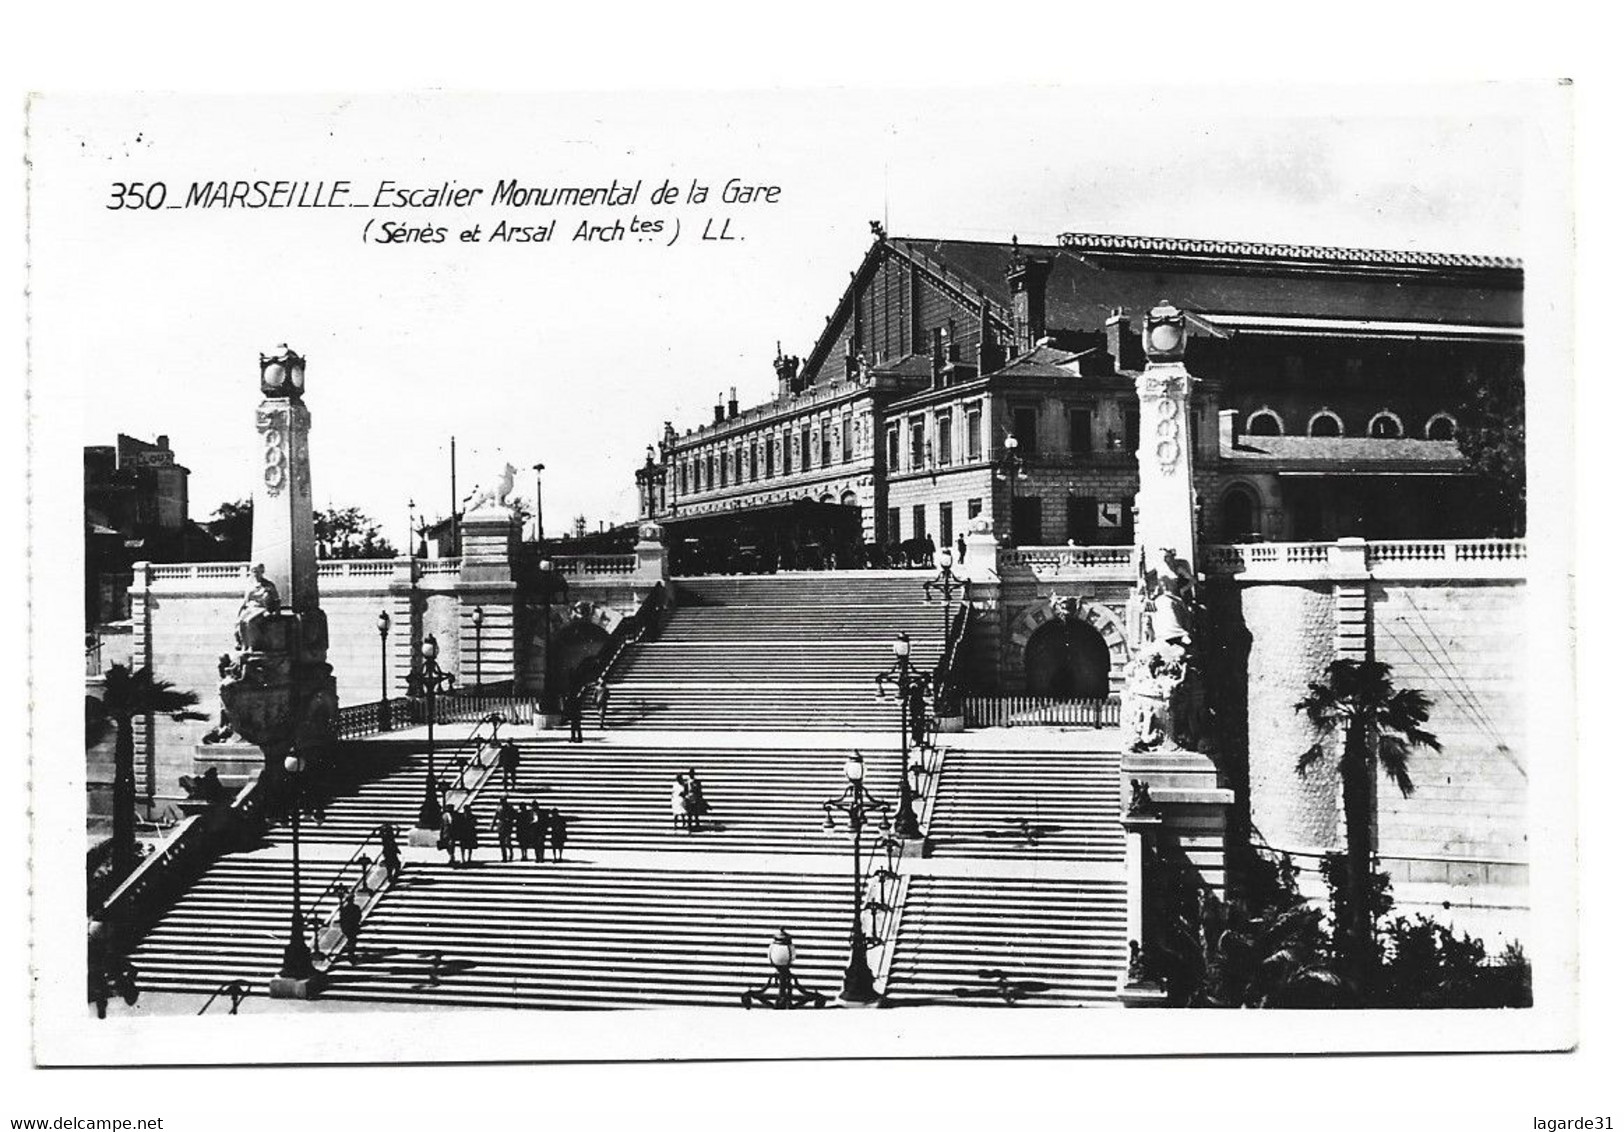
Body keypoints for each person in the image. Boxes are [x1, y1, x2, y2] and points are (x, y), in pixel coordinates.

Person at [338, 892, 362, 965]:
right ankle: (351, 954)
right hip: (353, 926)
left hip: (347, 927)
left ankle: (350, 953)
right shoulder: (355, 907)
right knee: (353, 940)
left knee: (350, 940)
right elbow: (359, 916)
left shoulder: (344, 908)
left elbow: (341, 918)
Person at [684, 769, 710, 833]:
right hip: (689, 799)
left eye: (692, 773)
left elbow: (699, 791)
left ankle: (697, 825)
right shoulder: (686, 782)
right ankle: (690, 826)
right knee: (689, 814)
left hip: (695, 799)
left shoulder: (697, 782)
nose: (692, 775)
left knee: (696, 813)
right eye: (691, 774)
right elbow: (685, 791)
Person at [492, 796, 517, 862]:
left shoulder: (510, 807)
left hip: (508, 825)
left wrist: (510, 820)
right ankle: (504, 857)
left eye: (503, 800)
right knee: (502, 842)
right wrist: (492, 825)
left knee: (508, 841)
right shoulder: (499, 808)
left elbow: (514, 815)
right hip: (501, 826)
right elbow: (495, 817)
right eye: (501, 800)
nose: (502, 802)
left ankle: (511, 853)